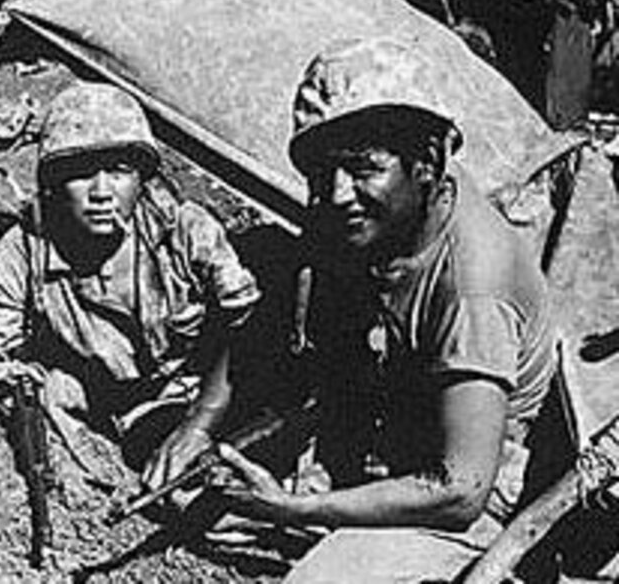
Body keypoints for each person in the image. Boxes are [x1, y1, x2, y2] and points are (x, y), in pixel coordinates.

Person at [207, 37, 562, 582]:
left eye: (363, 169)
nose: (339, 193)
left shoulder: (474, 284)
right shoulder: (371, 209)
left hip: (466, 493)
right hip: (380, 425)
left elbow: (461, 489)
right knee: (204, 501)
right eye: (323, 174)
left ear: (426, 163)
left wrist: (298, 509)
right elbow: (280, 304)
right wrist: (200, 423)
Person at [0, 81, 261, 490]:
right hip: (113, 409)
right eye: (80, 175)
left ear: (142, 179)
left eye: (119, 172)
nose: (101, 193)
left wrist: (203, 417)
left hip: (209, 396)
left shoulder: (185, 232)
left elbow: (249, 327)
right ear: (54, 185)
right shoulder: (24, 251)